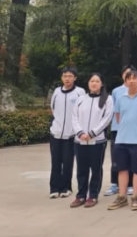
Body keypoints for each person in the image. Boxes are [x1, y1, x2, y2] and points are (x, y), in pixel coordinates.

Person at [108, 70, 137, 211]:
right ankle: (122, 197)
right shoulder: (120, 98)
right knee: (122, 169)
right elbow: (118, 117)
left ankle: (135, 197)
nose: (132, 81)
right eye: (129, 78)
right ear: (125, 81)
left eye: (134, 78)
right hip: (121, 139)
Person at [70, 73, 113, 208]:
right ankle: (81, 195)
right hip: (80, 140)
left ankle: (93, 195)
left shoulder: (107, 99)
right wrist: (80, 132)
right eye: (92, 81)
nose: (94, 83)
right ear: (88, 83)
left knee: (96, 169)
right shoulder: (81, 99)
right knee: (81, 169)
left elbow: (107, 119)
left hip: (97, 141)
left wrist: (92, 133)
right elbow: (74, 117)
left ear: (101, 84)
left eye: (97, 81)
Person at [49, 66, 85, 199]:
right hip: (56, 133)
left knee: (68, 161)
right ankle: (54, 188)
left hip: (71, 135)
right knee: (55, 161)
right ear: (61, 78)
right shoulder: (57, 92)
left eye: (70, 76)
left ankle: (66, 188)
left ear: (75, 78)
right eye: (65, 76)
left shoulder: (80, 92)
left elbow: (83, 111)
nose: (67, 79)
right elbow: (53, 108)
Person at [104, 65, 135, 196]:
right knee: (116, 157)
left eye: (131, 74)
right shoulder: (116, 91)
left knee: (131, 157)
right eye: (126, 74)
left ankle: (130, 184)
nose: (128, 77)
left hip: (132, 129)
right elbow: (113, 109)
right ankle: (114, 184)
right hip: (117, 129)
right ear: (122, 75)